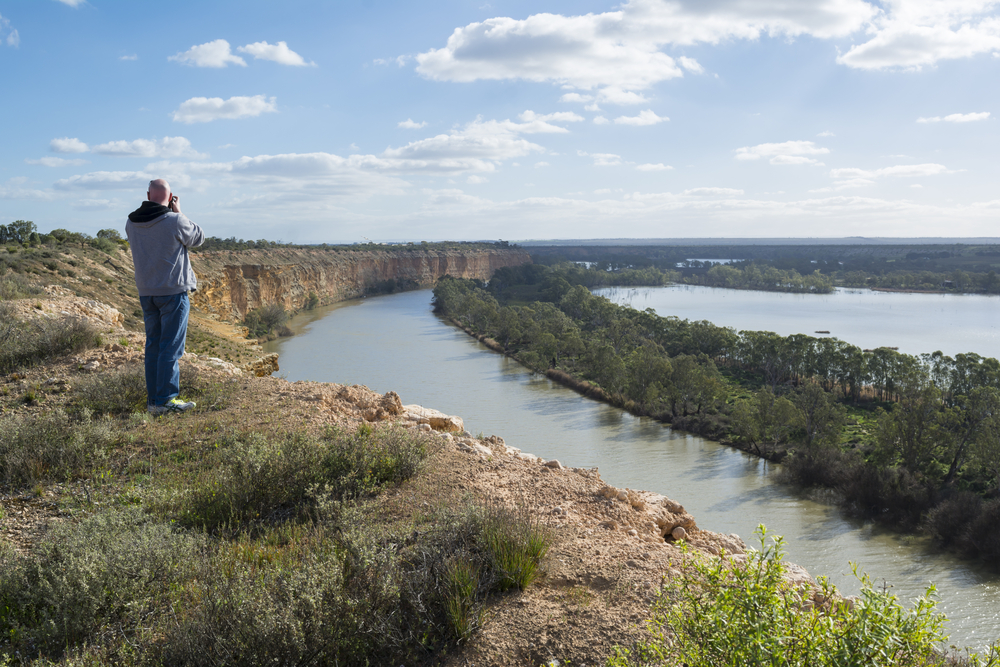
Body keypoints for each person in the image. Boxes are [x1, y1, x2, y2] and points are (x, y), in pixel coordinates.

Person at [126, 178, 205, 414]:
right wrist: (179, 211)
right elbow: (198, 238)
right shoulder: (174, 220)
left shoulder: (131, 222)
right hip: (172, 292)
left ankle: (154, 401)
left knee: (153, 347)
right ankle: (166, 400)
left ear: (148, 195)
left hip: (146, 292)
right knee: (170, 348)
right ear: (170, 198)